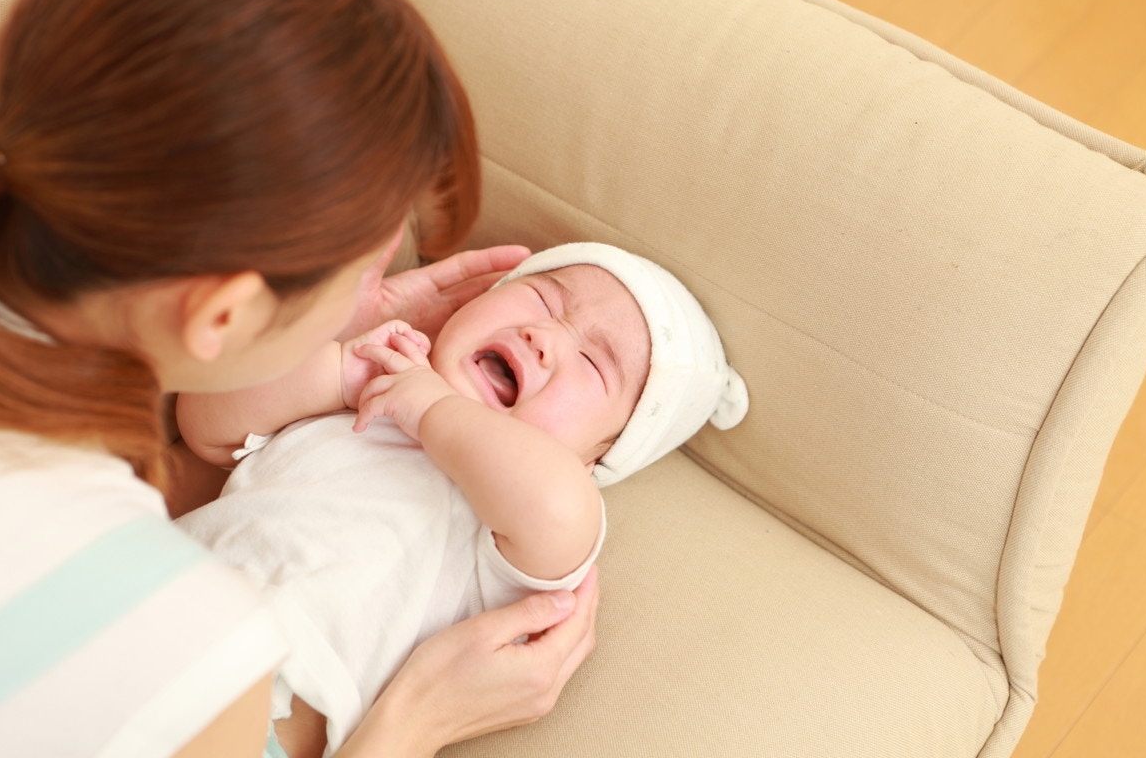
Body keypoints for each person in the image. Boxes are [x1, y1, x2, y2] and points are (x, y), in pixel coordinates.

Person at [0, 0, 601, 756]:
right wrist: (414, 722)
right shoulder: (190, 653)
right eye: (368, 270)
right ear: (222, 314)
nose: (379, 299)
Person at [174, 242, 751, 757]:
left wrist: (431, 411)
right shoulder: (355, 397)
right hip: (142, 608)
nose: (544, 337)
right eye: (543, 300)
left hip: (250, 719)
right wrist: (340, 366)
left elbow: (557, 507)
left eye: (594, 363)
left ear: (597, 459)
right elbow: (205, 421)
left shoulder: (513, 513)